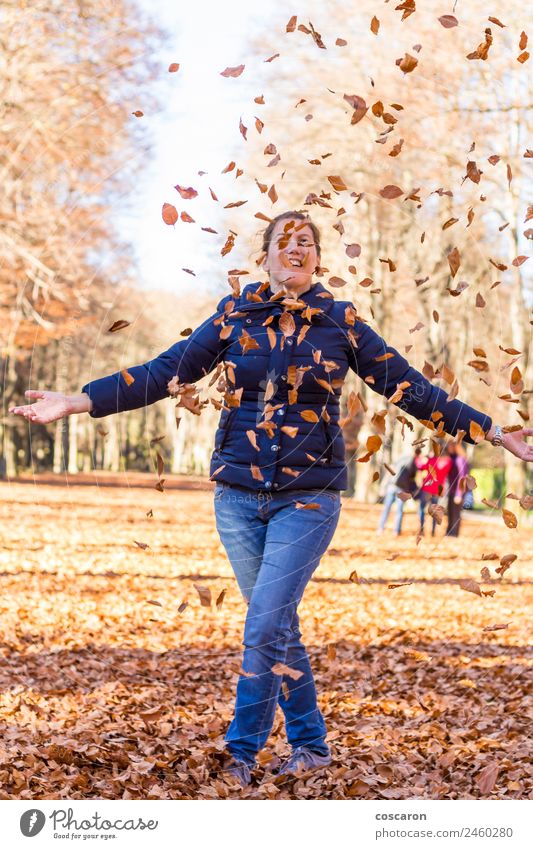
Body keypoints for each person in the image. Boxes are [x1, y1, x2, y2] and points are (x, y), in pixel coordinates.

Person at [9, 210, 533, 787]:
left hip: (308, 500)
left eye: (306, 242)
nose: (296, 249)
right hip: (236, 497)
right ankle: (311, 746)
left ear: (316, 259)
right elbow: (163, 374)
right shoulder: (235, 315)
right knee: (277, 626)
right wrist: (78, 401)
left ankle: (240, 754)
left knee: (263, 626)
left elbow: (411, 386)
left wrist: (489, 430)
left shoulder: (342, 323)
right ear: (264, 256)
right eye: (285, 242)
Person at [377, 448, 422, 535]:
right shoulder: (413, 463)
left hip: (392, 485)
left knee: (387, 508)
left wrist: (384, 485)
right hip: (402, 489)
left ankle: (380, 528)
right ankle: (396, 531)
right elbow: (413, 480)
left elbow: (390, 471)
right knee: (399, 510)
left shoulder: (401, 458)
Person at [415, 446, 452, 537]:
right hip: (437, 490)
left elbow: (420, 466)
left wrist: (423, 458)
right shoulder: (448, 461)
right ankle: (433, 531)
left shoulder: (431, 460)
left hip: (427, 489)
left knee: (421, 509)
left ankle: (421, 528)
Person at [445, 440, 469, 536]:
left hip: (458, 491)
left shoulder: (460, 459)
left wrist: (459, 494)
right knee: (450, 512)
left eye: (451, 446)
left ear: (456, 447)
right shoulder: (451, 458)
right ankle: (449, 533)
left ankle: (454, 534)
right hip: (451, 490)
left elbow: (462, 477)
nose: (448, 447)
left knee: (455, 514)